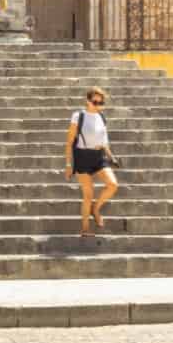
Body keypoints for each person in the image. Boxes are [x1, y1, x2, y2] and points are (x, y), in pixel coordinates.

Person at [65, 86, 120, 236]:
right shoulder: (78, 116)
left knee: (113, 184)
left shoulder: (102, 117)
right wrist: (68, 164)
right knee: (88, 194)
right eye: (95, 102)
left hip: (99, 156)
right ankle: (85, 229)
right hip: (82, 157)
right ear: (87, 101)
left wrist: (112, 157)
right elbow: (69, 141)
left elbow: (104, 141)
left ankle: (95, 208)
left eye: (101, 102)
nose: (98, 105)